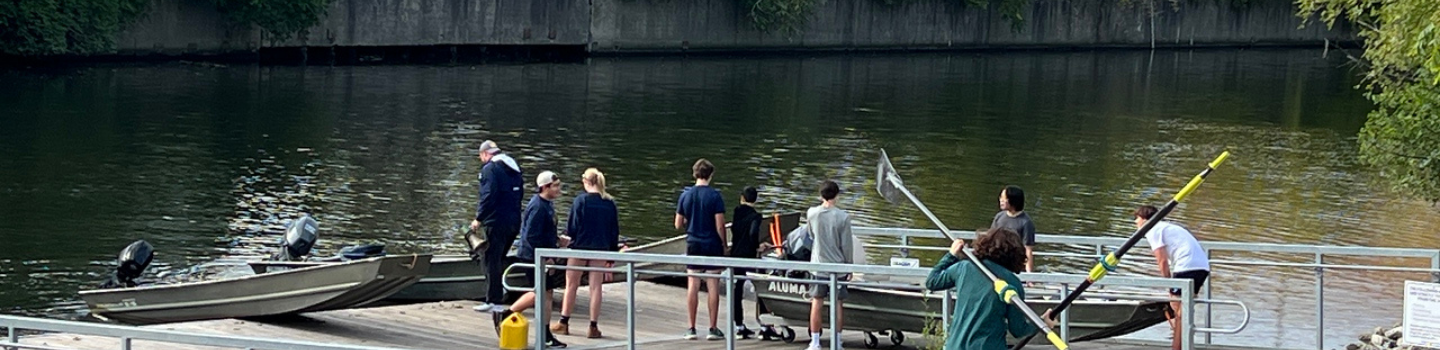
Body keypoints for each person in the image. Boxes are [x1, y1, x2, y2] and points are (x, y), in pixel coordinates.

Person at [924, 227, 1056, 350]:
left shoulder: (963, 267)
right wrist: (1041, 322)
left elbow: (932, 282)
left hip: (955, 346)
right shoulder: (1013, 283)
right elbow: (1018, 330)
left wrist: (951, 255)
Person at [494, 171, 568, 348]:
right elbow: (531, 236)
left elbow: (544, 232)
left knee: (544, 293)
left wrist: (558, 241)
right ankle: (541, 332)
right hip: (532, 257)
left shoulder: (546, 205)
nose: (558, 189)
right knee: (543, 293)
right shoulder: (538, 207)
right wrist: (546, 257)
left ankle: (540, 330)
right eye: (555, 186)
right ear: (545, 187)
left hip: (539, 255)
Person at [552, 168, 621, 339]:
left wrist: (567, 239)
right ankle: (593, 326)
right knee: (595, 287)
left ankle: (564, 322)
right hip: (600, 248)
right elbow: (614, 231)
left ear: (586, 181)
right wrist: (611, 255)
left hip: (580, 247)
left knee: (571, 285)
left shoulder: (580, 201)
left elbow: (572, 227)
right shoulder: (610, 203)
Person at [1134, 205, 1211, 350]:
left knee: (1177, 308)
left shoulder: (1153, 230)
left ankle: (1177, 347)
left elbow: (1161, 261)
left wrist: (1168, 283)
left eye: (1137, 218)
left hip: (1186, 266)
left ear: (1145, 219)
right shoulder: (1166, 227)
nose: (1135, 222)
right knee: (1184, 309)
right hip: (1202, 266)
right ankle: (1181, 343)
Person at [674, 159, 728, 340]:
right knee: (713, 285)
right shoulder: (715, 196)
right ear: (711, 175)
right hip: (712, 243)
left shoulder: (685, 196)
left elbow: (677, 224)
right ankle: (713, 328)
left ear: (694, 174)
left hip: (693, 242)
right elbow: (720, 225)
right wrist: (724, 244)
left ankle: (691, 327)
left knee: (693, 284)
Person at [471, 140, 524, 312]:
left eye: (481, 157)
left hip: (496, 221)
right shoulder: (514, 168)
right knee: (500, 257)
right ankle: (499, 292)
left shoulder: (490, 169)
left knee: (490, 259)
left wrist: (479, 218)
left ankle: (493, 301)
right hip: (514, 221)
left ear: (485, 154)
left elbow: (489, 195)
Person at [805, 180, 854, 350]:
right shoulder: (843, 217)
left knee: (816, 302)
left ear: (821, 195)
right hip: (838, 266)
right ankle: (837, 340)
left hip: (819, 265)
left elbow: (810, 234)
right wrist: (850, 266)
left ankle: (815, 341)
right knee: (838, 303)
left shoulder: (812, 213)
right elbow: (846, 244)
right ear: (837, 195)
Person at [728, 186, 764, 339]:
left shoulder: (737, 212)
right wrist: (757, 246)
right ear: (755, 199)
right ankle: (764, 325)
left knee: (737, 289)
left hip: (736, 253)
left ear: (742, 197)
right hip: (749, 255)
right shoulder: (756, 216)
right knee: (761, 287)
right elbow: (753, 232)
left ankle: (739, 325)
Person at [991, 185, 1037, 272]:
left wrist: (1029, 276)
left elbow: (1028, 250)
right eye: (1000, 197)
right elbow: (991, 239)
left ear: (1013, 200)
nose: (1001, 200)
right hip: (998, 261)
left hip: (1014, 264)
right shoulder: (999, 217)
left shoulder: (1026, 222)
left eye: (1004, 198)